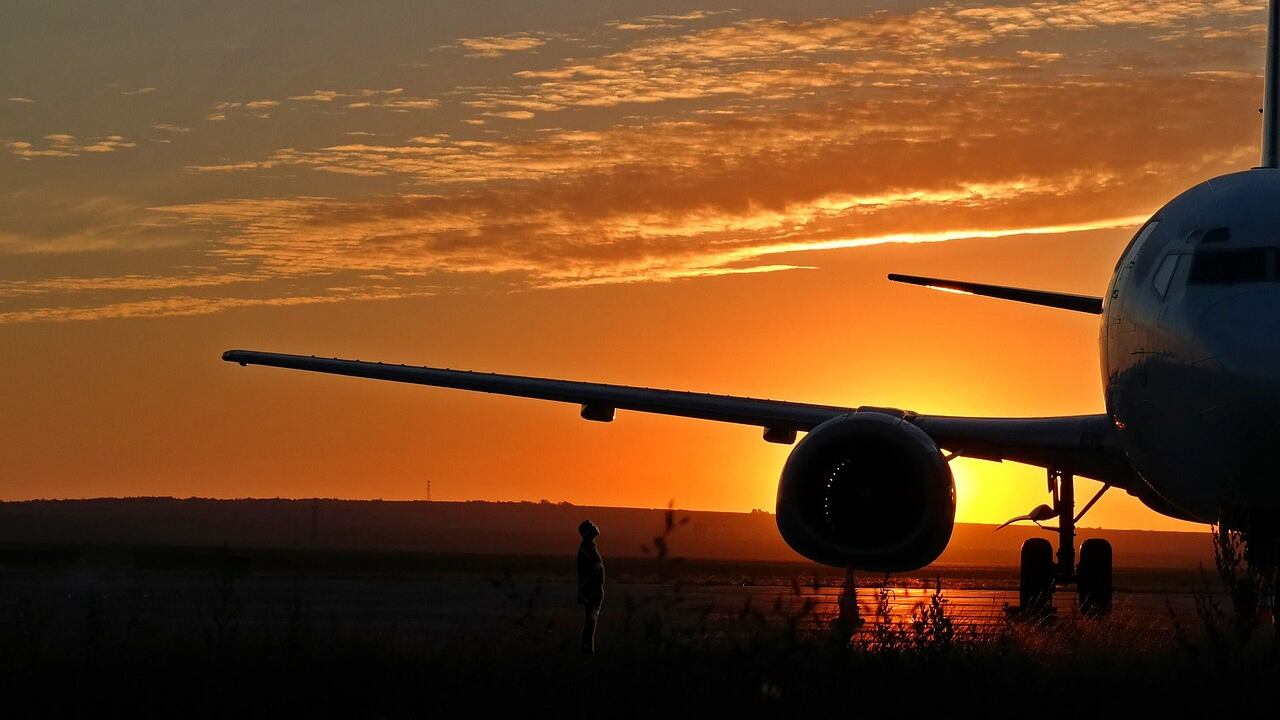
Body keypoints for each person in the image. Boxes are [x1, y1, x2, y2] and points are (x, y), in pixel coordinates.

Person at [576, 519, 605, 654]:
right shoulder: (586, 547)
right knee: (590, 621)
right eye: (591, 527)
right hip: (590, 591)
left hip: (594, 590)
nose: (595, 528)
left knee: (591, 621)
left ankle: (587, 649)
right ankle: (587, 651)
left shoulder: (590, 546)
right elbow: (591, 569)